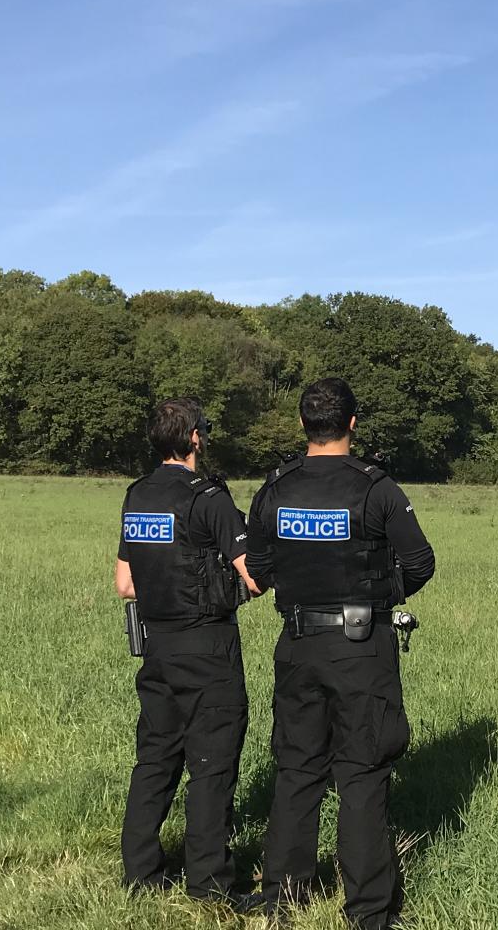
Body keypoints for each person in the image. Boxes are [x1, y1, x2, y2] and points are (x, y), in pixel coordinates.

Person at [233, 377, 436, 929]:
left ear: (303, 425)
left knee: (297, 767)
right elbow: (420, 563)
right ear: (352, 422)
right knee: (363, 771)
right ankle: (368, 911)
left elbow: (262, 570)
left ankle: (283, 894)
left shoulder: (275, 488)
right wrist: (378, 596)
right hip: (361, 647)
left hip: (298, 644)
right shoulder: (377, 487)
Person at [115, 398, 260, 902]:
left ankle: (139, 874)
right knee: (212, 764)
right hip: (207, 647)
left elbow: (125, 583)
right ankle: (210, 884)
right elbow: (254, 576)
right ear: (195, 437)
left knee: (154, 759)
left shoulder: (137, 495)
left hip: (157, 648)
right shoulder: (209, 498)